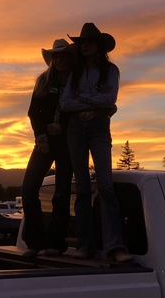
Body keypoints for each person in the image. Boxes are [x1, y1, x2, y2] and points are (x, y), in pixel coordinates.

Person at [60, 23, 132, 263]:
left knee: (105, 185)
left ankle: (115, 246)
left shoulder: (110, 70)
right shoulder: (75, 73)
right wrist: (95, 103)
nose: (85, 46)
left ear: (99, 46)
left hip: (99, 129)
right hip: (76, 129)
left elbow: (110, 98)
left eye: (89, 42)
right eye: (82, 43)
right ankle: (85, 245)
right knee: (81, 187)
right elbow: (65, 103)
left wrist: (86, 100)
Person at [21, 39, 75, 257]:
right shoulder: (43, 80)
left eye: (63, 55)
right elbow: (34, 112)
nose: (60, 59)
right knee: (29, 188)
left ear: (70, 58)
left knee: (61, 193)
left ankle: (55, 242)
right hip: (44, 142)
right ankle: (34, 241)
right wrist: (41, 136)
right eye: (56, 56)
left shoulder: (77, 81)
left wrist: (63, 127)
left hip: (69, 142)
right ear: (52, 60)